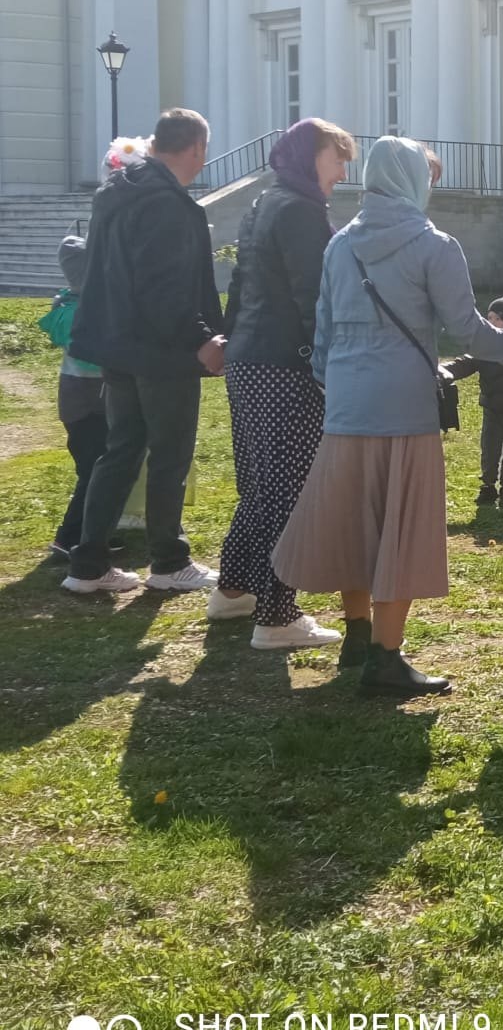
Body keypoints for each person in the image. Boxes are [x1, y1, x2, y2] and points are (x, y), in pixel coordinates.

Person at [271, 137, 503, 699]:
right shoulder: (434, 245)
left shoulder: (340, 246)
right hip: (405, 410)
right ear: (414, 179)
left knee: (353, 523)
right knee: (400, 529)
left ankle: (358, 636)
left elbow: (323, 333)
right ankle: (387, 658)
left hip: (345, 406)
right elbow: (468, 330)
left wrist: (337, 385)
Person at [207, 119, 358, 652]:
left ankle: (234, 589)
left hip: (249, 358)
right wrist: (327, 367)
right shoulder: (299, 211)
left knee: (260, 483)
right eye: (336, 157)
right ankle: (276, 615)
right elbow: (315, 297)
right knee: (288, 489)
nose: (343, 170)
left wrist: (228, 338)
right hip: (285, 365)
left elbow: (241, 281)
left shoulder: (264, 204)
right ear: (310, 156)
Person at [63, 109, 226, 596]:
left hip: (117, 343)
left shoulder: (117, 189)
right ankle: (169, 561)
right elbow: (166, 287)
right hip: (161, 350)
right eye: (204, 152)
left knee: (122, 448)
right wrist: (202, 339)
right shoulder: (167, 204)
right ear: (196, 147)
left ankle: (87, 564)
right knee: (169, 455)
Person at [39, 236, 109, 561]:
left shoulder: (71, 305)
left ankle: (94, 533)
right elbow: (89, 358)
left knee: (99, 467)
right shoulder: (76, 312)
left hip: (86, 404)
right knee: (93, 472)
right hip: (86, 405)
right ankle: (68, 540)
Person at [445, 296, 503, 508]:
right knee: (490, 450)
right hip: (493, 410)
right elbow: (465, 363)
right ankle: (488, 487)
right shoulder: (485, 350)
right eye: (488, 318)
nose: (490, 323)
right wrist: (444, 370)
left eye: (495, 318)